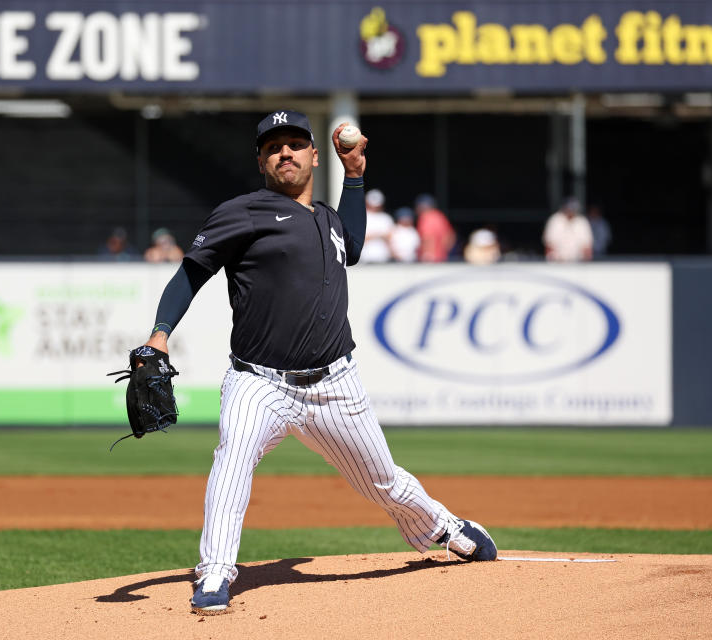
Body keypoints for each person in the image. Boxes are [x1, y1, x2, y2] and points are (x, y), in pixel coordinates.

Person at [136, 109, 497, 615]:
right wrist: (159, 336)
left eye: (294, 143)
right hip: (258, 383)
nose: (285, 151)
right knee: (233, 461)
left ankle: (443, 526)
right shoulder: (241, 212)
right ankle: (215, 570)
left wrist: (355, 173)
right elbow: (191, 274)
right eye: (273, 146)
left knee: (383, 480)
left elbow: (351, 246)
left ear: (311, 154)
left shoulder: (326, 218)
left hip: (337, 385)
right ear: (261, 161)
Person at [543, 197, 593, 262]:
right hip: (557, 261)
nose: (570, 211)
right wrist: (551, 260)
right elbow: (549, 243)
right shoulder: (555, 219)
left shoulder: (582, 221)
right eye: (569, 208)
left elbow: (587, 246)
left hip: (578, 262)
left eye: (573, 208)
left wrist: (586, 262)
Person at [414, 194, 455, 262]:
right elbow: (451, 236)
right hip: (442, 257)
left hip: (430, 258)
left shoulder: (426, 217)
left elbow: (427, 237)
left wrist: (428, 253)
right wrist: (444, 250)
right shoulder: (440, 216)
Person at [358, 188, 394, 263]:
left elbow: (391, 238)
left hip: (383, 257)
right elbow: (358, 239)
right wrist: (379, 235)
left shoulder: (386, 218)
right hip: (364, 258)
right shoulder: (360, 217)